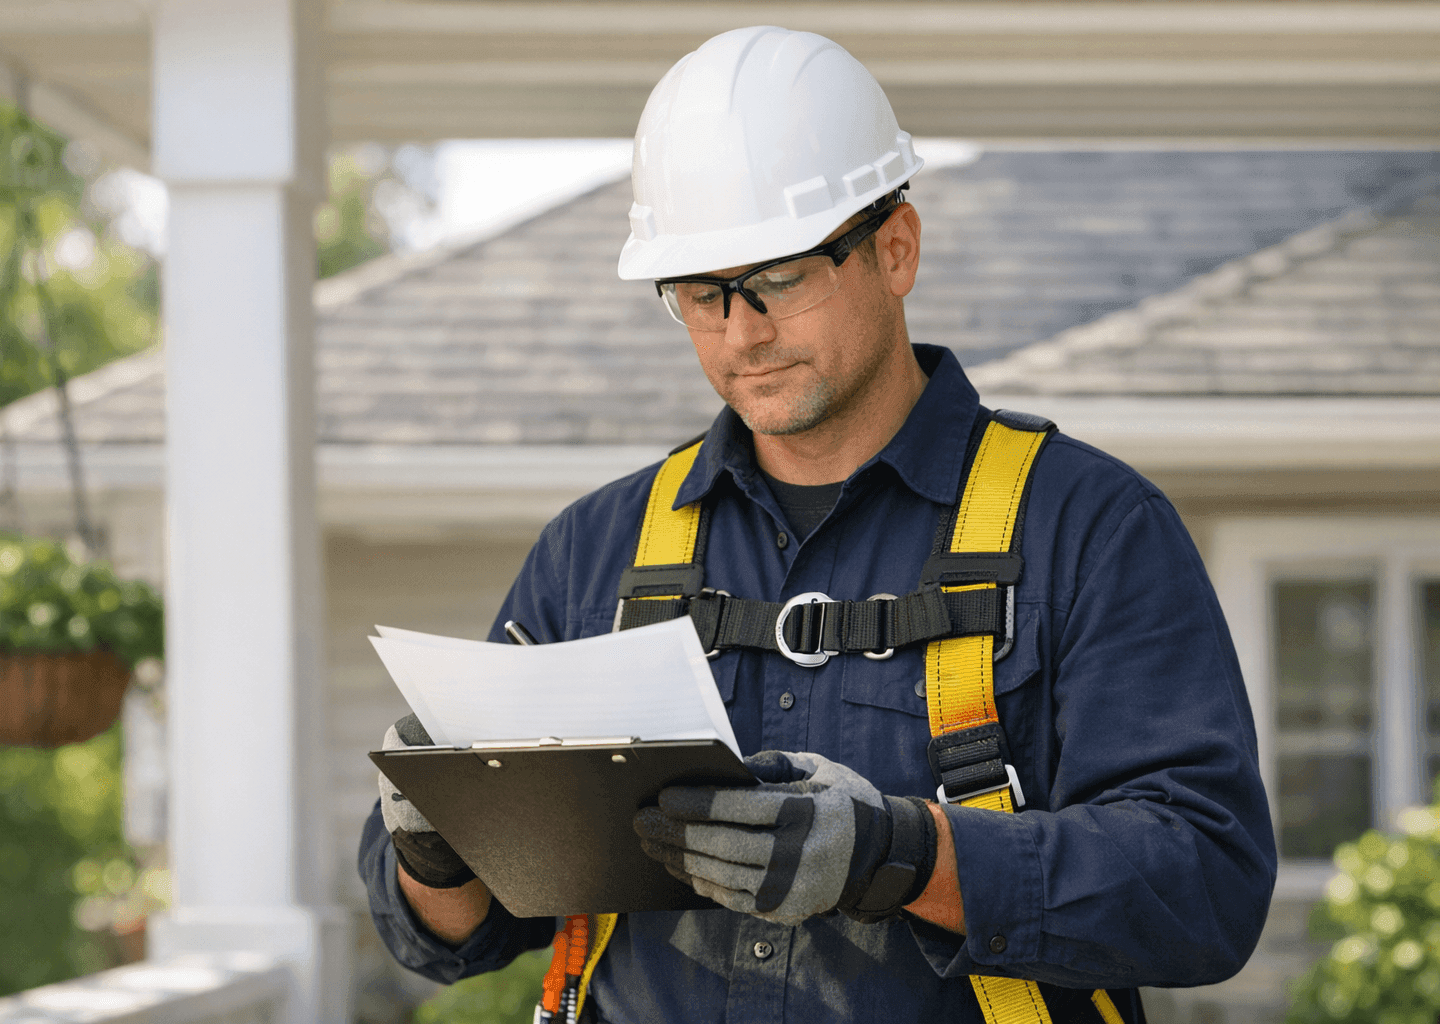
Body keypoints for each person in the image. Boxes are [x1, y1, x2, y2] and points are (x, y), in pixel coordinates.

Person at [359, 25, 1276, 1024]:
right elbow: (455, 936)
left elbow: (1206, 885)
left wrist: (906, 853)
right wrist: (434, 841)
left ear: (895, 248)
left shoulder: (1087, 529)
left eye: (777, 278)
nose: (741, 330)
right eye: (702, 295)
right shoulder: (598, 551)